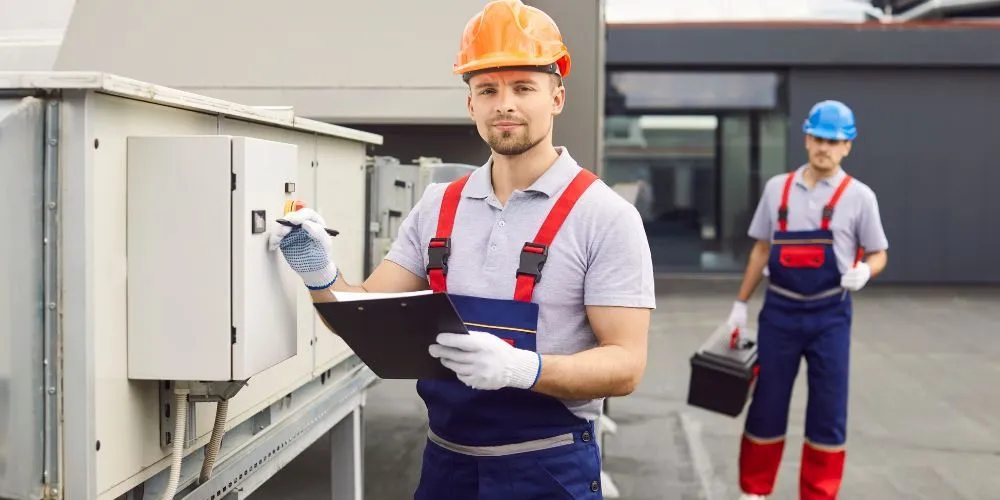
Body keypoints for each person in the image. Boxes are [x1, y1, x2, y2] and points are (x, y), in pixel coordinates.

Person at [270, 1, 656, 498]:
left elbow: (626, 365)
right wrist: (319, 272)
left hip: (548, 469)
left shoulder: (604, 216)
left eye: (523, 87)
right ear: (471, 103)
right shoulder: (438, 207)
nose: (504, 104)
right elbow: (362, 315)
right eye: (488, 89)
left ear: (556, 97)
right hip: (445, 466)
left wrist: (522, 369)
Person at [728, 100, 889, 500]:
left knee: (828, 410)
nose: (824, 147)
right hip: (779, 313)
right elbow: (761, 250)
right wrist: (740, 304)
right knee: (767, 402)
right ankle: (754, 490)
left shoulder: (861, 197)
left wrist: (866, 270)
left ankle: (819, 494)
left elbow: (879, 253)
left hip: (830, 315)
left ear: (847, 146)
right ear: (806, 139)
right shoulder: (777, 189)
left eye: (834, 141)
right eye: (818, 138)